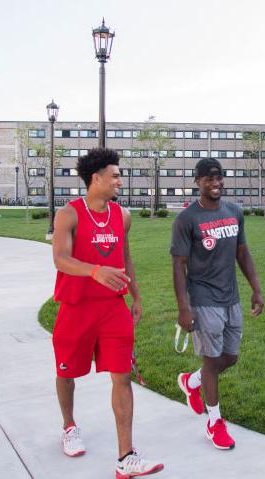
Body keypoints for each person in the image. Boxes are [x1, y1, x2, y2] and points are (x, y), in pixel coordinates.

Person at [51, 148, 163, 478]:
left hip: (113, 308)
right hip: (76, 307)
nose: (120, 180)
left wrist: (136, 296)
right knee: (67, 372)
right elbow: (60, 259)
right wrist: (95, 271)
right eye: (115, 175)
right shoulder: (68, 214)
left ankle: (126, 456)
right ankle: (69, 426)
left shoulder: (122, 215)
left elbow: (126, 258)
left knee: (122, 376)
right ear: (96, 178)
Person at [171, 157, 264, 450]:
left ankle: (192, 381)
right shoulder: (186, 220)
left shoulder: (234, 212)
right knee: (212, 361)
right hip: (203, 298)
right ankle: (215, 422)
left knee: (231, 357)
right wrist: (184, 308)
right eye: (209, 179)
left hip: (231, 297)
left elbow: (243, 253)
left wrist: (256, 289)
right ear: (197, 182)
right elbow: (178, 265)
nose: (216, 183)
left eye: (219, 177)